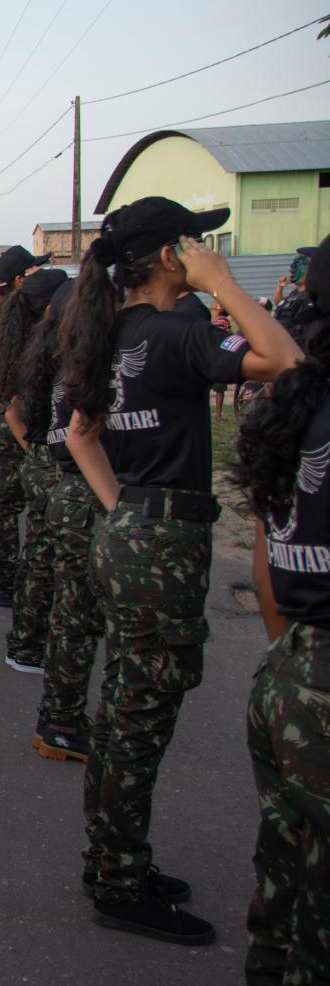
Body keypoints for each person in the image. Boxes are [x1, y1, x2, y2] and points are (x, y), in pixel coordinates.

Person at [59, 196, 300, 944]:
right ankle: (120, 882)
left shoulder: (112, 329)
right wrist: (224, 283)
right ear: (171, 257)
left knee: (126, 708)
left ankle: (114, 862)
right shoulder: (174, 329)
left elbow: (80, 435)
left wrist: (121, 510)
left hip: (133, 533)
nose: (202, 247)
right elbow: (287, 364)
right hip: (161, 545)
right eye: (192, 241)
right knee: (141, 716)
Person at [232, 233, 330, 985]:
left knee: (286, 868)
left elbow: (267, 541)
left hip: (292, 666)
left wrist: (286, 648)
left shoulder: (295, 400)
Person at [20, 278, 101, 762]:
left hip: (55, 479)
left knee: (64, 596)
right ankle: (62, 718)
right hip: (74, 485)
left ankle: (58, 710)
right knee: (77, 610)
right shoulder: (81, 362)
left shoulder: (48, 353)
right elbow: (80, 437)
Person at [0, 267, 67, 669]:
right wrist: (40, 453)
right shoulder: (45, 346)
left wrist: (33, 452)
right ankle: (28, 644)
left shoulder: (23, 339)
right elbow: (14, 410)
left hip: (40, 458)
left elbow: (11, 408)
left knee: (38, 554)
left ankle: (24, 642)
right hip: (49, 461)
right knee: (45, 560)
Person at [0, 247, 44, 605]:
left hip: (3, 413)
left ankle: (3, 576)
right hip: (13, 419)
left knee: (2, 501)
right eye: (34, 269)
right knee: (13, 505)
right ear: (20, 278)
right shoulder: (15, 317)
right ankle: (8, 581)